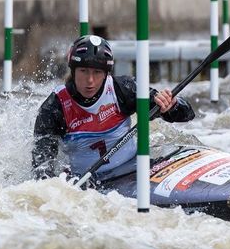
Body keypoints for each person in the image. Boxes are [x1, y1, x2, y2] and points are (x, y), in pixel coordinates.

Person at [32, 35, 195, 182]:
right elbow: (42, 169)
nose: (90, 80)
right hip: (88, 182)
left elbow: (187, 114)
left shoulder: (123, 89)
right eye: (83, 71)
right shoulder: (54, 108)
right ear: (73, 70)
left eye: (97, 72)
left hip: (131, 170)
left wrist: (171, 106)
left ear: (106, 73)